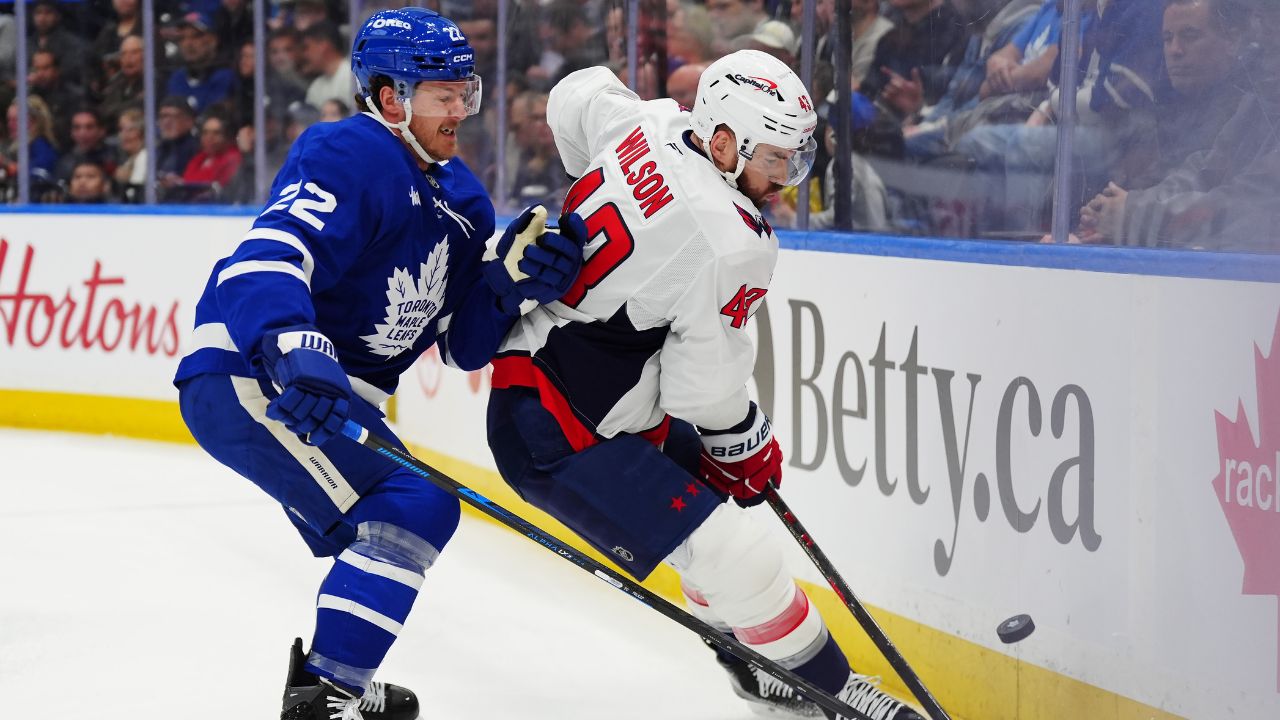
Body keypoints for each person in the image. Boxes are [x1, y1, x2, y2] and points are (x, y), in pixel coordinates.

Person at [172, 9, 587, 719]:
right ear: (392, 98)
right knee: (413, 506)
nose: (462, 109)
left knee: (392, 528)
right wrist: (294, 345)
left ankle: (339, 684)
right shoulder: (350, 152)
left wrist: (512, 285)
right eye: (442, 94)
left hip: (337, 399)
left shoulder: (464, 199)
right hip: (253, 377)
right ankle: (327, 696)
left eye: (466, 91)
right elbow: (265, 259)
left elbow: (460, 343)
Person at [485, 49, 924, 720]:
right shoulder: (729, 238)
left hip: (564, 393)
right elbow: (703, 389)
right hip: (562, 429)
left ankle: (758, 672)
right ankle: (834, 698)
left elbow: (578, 90)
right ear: (721, 142)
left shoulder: (651, 123)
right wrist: (745, 443)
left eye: (792, 158)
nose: (784, 176)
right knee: (735, 549)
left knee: (716, 528)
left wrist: (585, 189)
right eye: (774, 158)